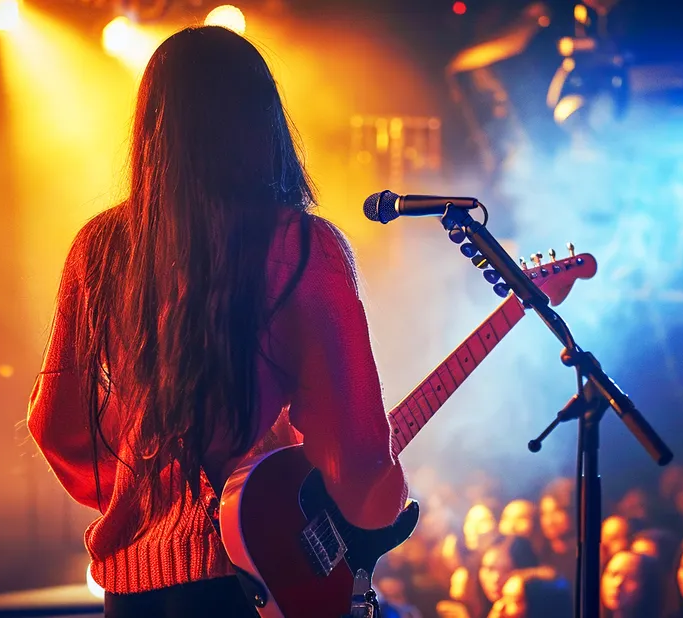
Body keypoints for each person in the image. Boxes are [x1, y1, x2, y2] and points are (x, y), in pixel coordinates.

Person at [27, 25, 408, 618]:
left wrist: (140, 494)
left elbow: (59, 425)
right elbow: (356, 449)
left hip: (134, 593)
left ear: (153, 127)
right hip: (266, 581)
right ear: (264, 124)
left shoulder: (97, 248)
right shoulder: (304, 248)